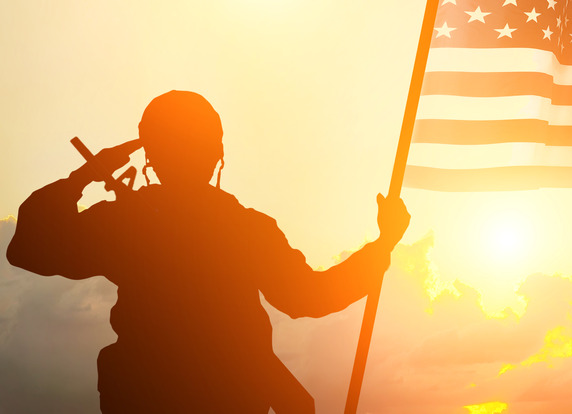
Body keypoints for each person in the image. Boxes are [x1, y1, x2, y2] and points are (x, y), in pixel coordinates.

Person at [6, 90, 410, 413]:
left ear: (152, 156)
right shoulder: (247, 228)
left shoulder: (127, 224)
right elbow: (310, 296)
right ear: (216, 153)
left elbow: (28, 247)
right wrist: (384, 243)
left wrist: (84, 176)